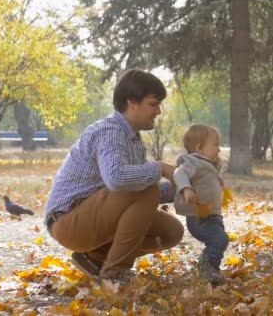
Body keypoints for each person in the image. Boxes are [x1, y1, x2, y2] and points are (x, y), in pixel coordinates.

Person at [44, 69, 184, 281]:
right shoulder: (110, 131)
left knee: (171, 231)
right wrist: (162, 168)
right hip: (67, 221)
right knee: (144, 189)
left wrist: (183, 186)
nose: (159, 112)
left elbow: (142, 196)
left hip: (91, 217)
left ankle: (95, 259)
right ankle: (114, 274)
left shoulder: (132, 138)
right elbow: (118, 179)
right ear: (132, 102)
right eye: (153, 104)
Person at [174, 124, 228, 285]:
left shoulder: (206, 163)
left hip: (212, 215)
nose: (219, 149)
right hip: (199, 217)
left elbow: (205, 178)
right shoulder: (192, 162)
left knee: (218, 240)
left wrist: (216, 179)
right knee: (220, 239)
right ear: (199, 148)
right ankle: (208, 269)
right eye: (215, 145)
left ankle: (209, 268)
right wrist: (186, 188)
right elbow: (179, 172)